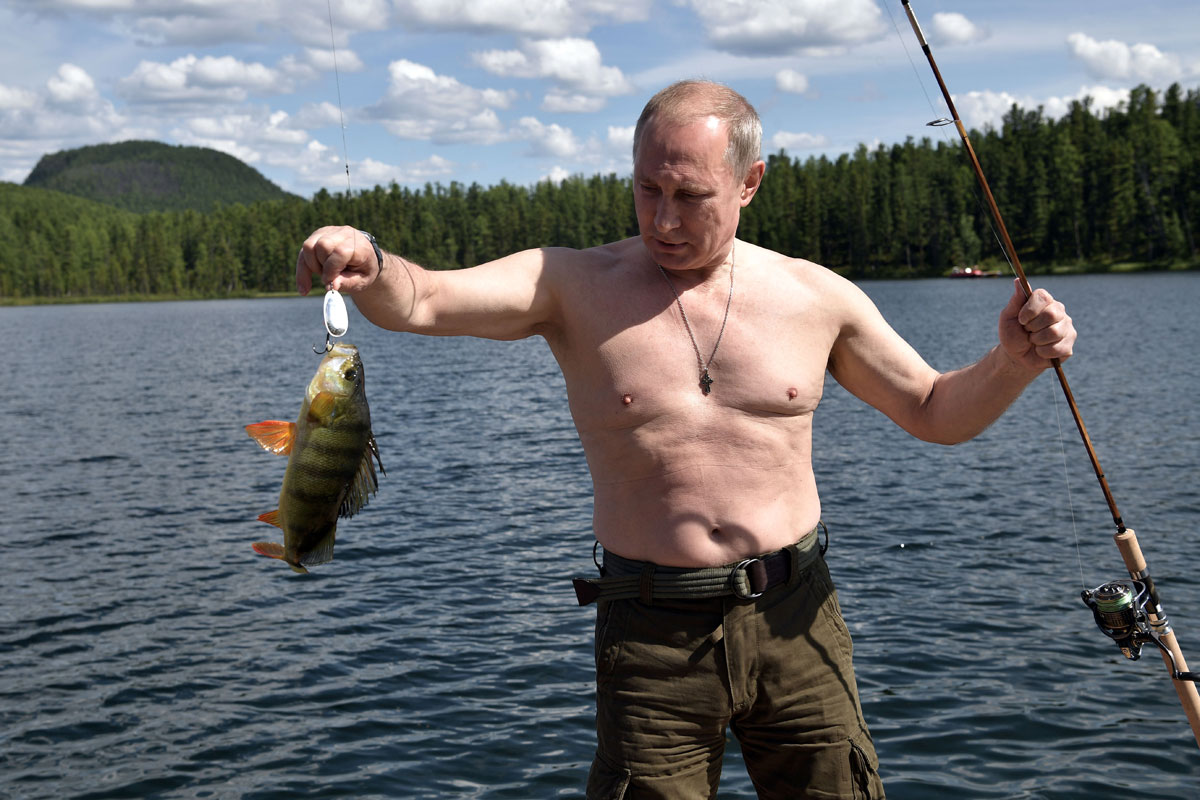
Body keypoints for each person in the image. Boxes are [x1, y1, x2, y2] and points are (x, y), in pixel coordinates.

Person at [296, 80, 1075, 799]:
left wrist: (1011, 362)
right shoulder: (570, 287)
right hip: (650, 633)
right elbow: (425, 299)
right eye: (648, 190)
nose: (664, 220)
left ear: (750, 182)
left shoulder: (817, 297)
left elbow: (936, 411)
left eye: (691, 196)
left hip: (797, 619)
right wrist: (374, 261)